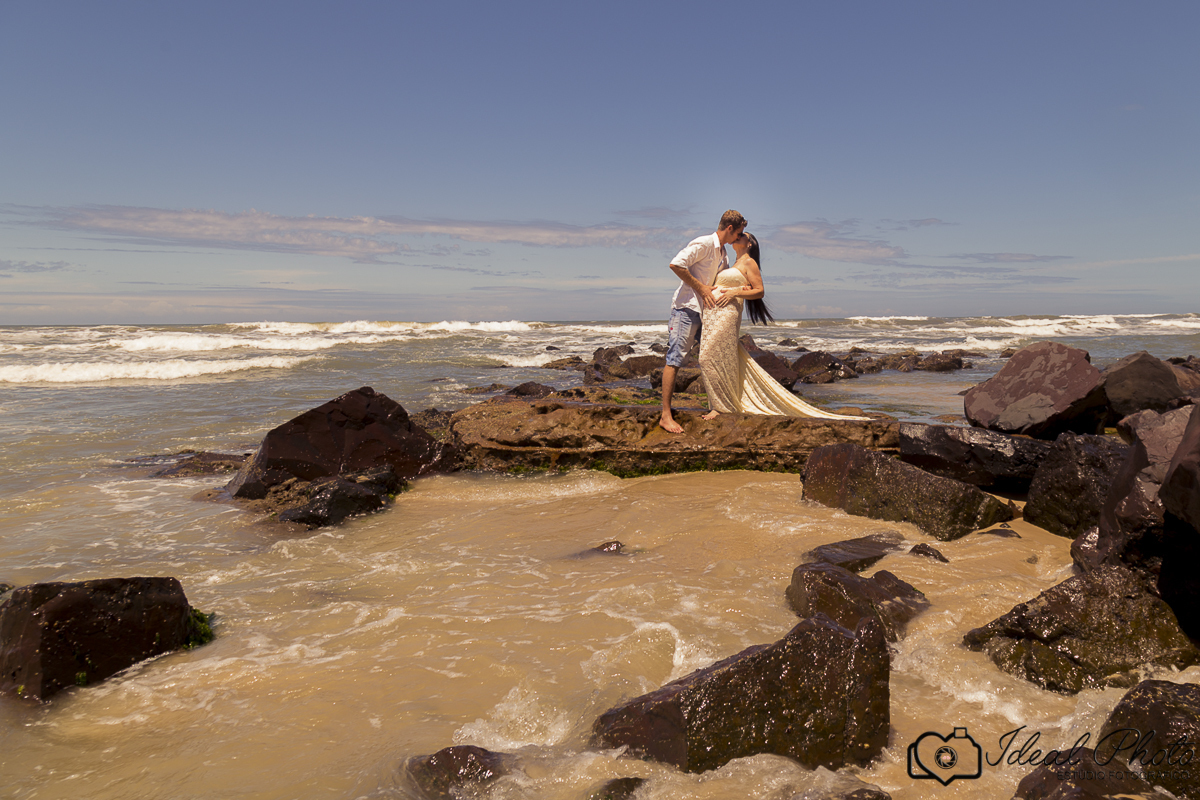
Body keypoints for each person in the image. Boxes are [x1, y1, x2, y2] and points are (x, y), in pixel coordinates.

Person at [698, 232, 869, 420]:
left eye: (743, 235)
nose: (738, 236)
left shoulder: (749, 263)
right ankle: (720, 403)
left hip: (727, 316)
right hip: (714, 315)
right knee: (718, 358)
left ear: (750, 244)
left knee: (707, 358)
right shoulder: (731, 263)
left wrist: (734, 293)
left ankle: (721, 407)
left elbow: (760, 291)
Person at [659, 210, 747, 433]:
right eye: (739, 233)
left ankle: (717, 405)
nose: (740, 236)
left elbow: (719, 282)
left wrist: (741, 289)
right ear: (729, 229)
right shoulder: (704, 243)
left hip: (706, 312)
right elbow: (676, 264)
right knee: (676, 357)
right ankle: (665, 416)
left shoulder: (724, 253)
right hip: (686, 308)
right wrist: (700, 287)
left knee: (710, 356)